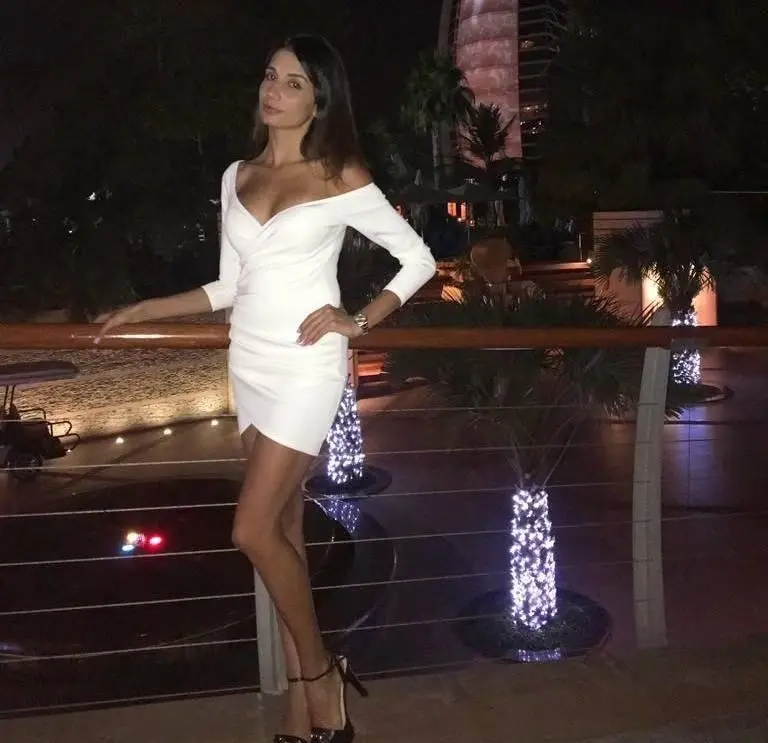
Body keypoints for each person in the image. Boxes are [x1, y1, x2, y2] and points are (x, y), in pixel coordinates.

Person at [95, 33, 436, 743]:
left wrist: (359, 319)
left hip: (307, 365)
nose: (274, 90)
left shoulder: (339, 174)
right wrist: (148, 309)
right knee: (283, 531)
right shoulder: (237, 175)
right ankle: (301, 712)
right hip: (247, 363)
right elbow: (230, 285)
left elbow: (417, 259)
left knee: (250, 529)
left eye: (293, 82)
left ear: (319, 100)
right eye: (270, 76)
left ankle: (321, 673)